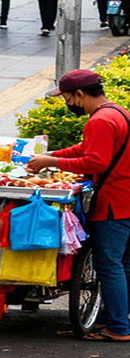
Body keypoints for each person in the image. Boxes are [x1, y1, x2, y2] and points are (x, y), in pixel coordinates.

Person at [27, 70, 130, 342]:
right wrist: (50, 155)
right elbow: (86, 148)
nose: (68, 104)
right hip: (126, 200)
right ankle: (120, 320)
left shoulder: (99, 121)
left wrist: (53, 163)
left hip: (113, 205)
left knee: (109, 266)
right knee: (124, 265)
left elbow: (96, 162)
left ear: (80, 94)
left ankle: (118, 328)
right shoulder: (118, 113)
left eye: (68, 98)